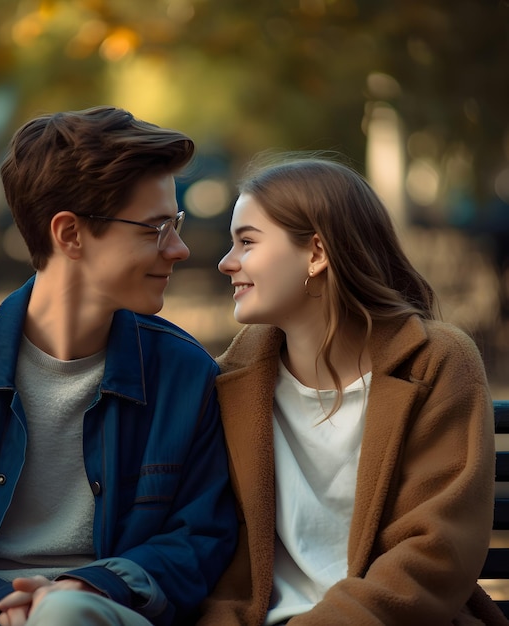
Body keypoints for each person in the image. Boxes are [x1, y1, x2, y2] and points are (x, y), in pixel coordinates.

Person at [0, 105, 237, 626]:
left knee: (67, 616)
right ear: (70, 234)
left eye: (176, 225)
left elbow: (199, 540)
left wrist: (84, 586)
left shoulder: (186, 376)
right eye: (156, 228)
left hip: (108, 608)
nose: (180, 249)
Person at [197, 154, 506, 625]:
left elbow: (434, 550)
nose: (225, 262)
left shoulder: (437, 361)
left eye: (247, 243)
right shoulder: (228, 382)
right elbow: (217, 559)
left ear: (317, 253)